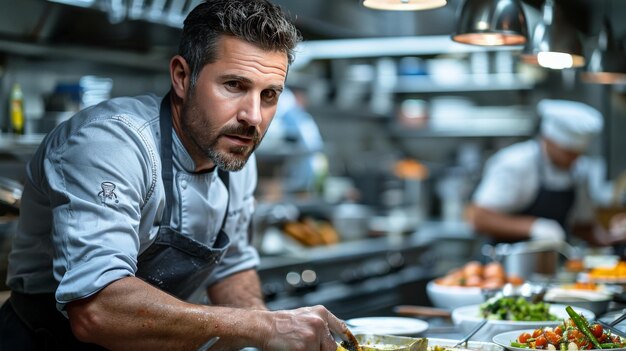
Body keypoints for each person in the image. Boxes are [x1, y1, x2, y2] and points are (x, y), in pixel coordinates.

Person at [0, 1, 355, 350]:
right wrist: (265, 326)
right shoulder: (111, 143)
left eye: (269, 95)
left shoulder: (233, 151)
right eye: (234, 85)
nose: (253, 117)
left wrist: (267, 338)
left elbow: (231, 267)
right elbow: (97, 309)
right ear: (183, 77)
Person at [468, 99, 617, 247]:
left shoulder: (580, 170)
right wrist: (533, 227)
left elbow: (583, 226)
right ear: (547, 140)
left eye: (578, 154)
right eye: (567, 153)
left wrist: (611, 237)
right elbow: (478, 218)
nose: (574, 160)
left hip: (556, 262)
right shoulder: (515, 164)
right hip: (507, 262)